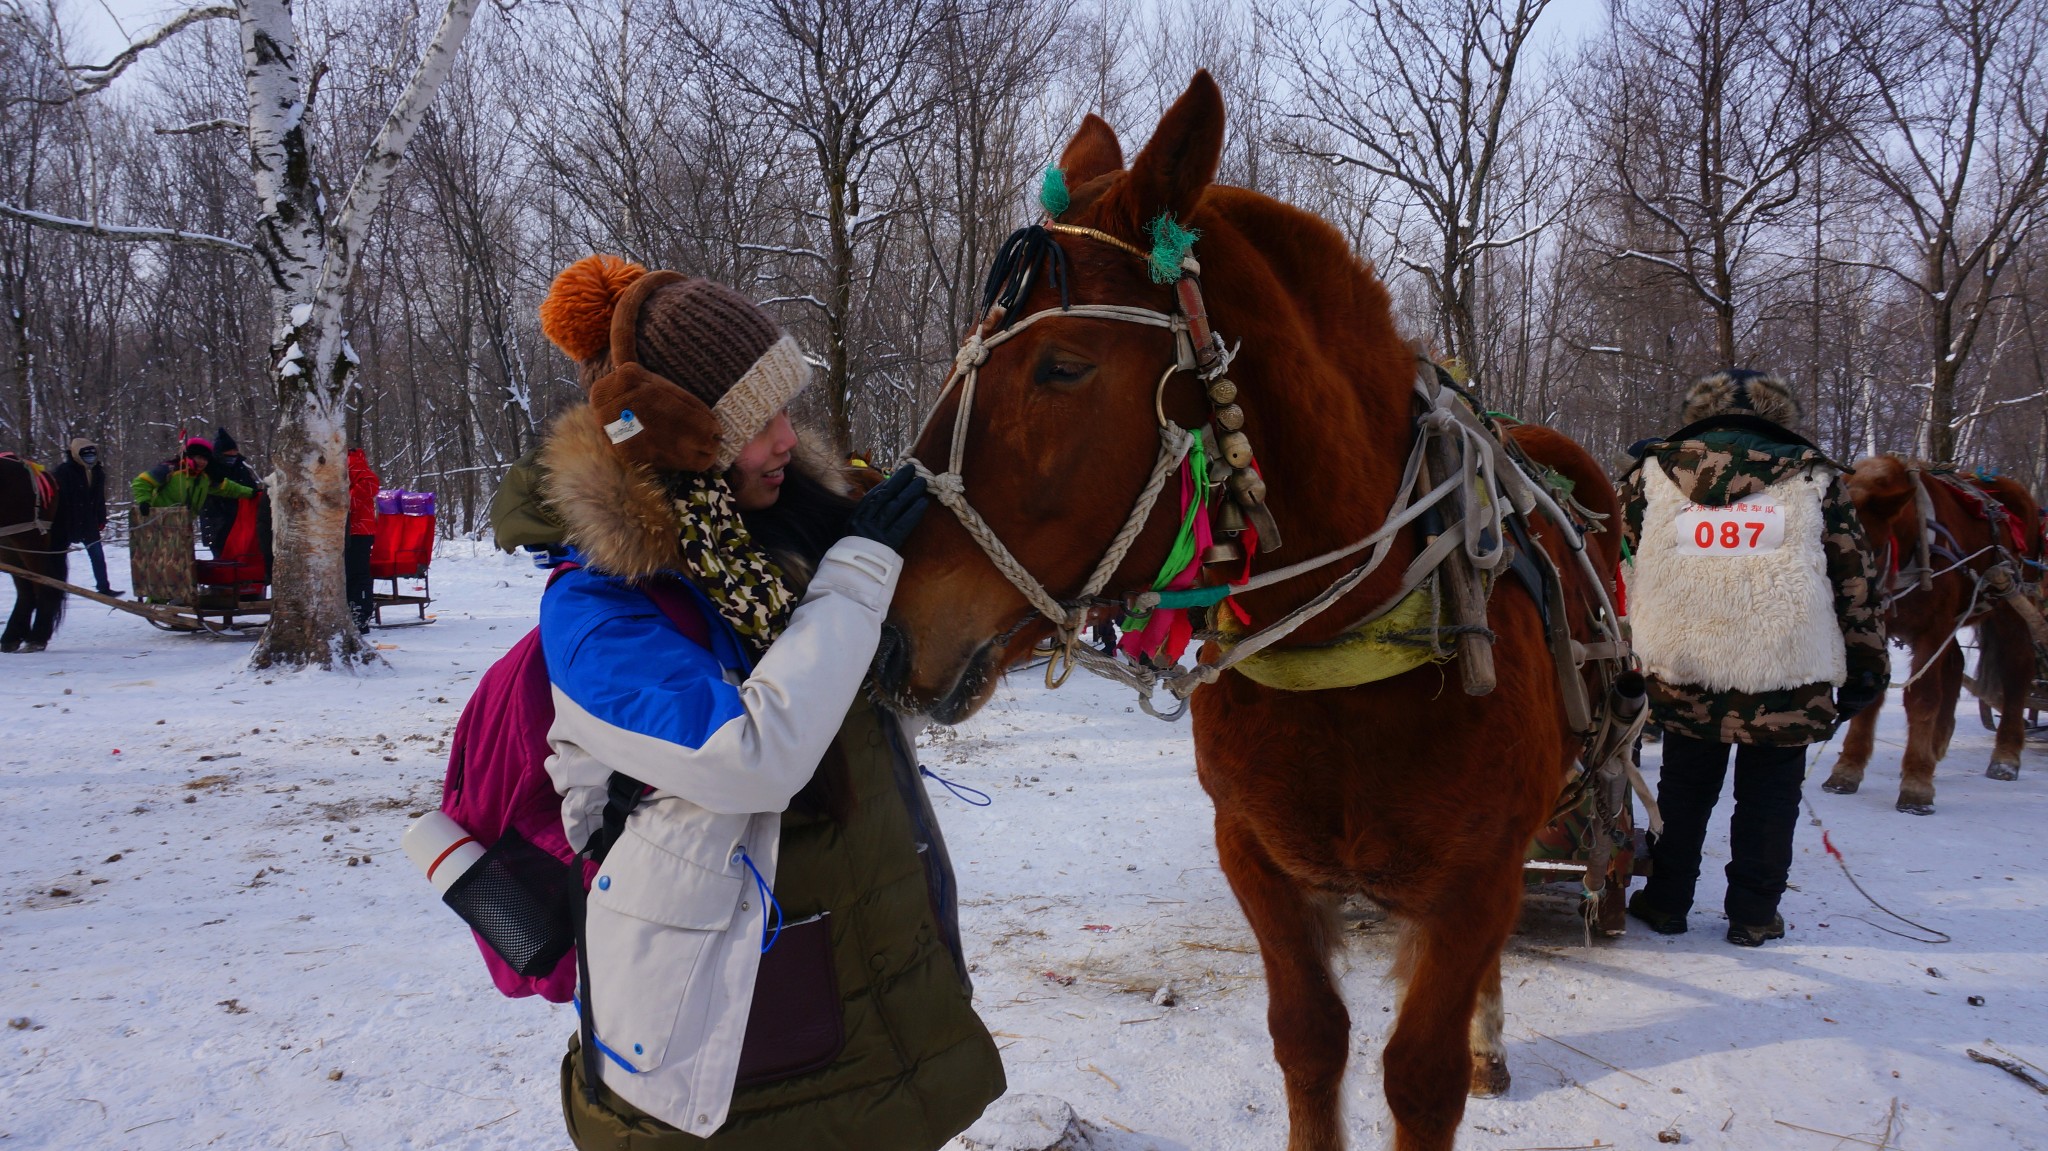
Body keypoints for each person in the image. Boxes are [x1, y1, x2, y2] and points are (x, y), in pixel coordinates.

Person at [529, 254, 1003, 1149]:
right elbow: (753, 755)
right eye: (756, 422)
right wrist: (859, 574)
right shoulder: (598, 610)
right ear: (677, 440)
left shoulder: (787, 541)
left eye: (787, 409)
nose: (787, 438)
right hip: (716, 1044)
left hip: (864, 990)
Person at [1619, 369, 1887, 947]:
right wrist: (1867, 665)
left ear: (1702, 414)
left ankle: (1666, 902)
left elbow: (1620, 562)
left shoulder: (1655, 473)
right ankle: (1753, 915)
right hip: (1786, 667)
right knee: (1771, 797)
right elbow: (1854, 580)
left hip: (1683, 658)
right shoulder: (1813, 475)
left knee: (1684, 787)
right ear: (1776, 417)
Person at [51, 437, 120, 595]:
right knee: (58, 556)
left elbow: (99, 499)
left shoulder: (97, 471)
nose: (90, 456)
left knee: (97, 555)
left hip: (89, 522)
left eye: (92, 453)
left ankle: (104, 587)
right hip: (67, 521)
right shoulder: (64, 471)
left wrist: (101, 518)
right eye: (85, 453)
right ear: (76, 454)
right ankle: (55, 587)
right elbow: (58, 499)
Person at [132, 437, 256, 516]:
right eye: (199, 458)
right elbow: (142, 481)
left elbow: (228, 488)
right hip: (159, 522)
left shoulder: (205, 478)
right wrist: (144, 501)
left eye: (205, 459)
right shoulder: (171, 469)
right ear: (189, 457)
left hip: (184, 525)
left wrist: (252, 493)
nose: (203, 462)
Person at [201, 426, 262, 556]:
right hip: (218, 525)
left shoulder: (240, 468)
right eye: (228, 454)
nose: (233, 457)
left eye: (235, 453)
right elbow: (223, 488)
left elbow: (251, 488)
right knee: (222, 559)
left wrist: (255, 494)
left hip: (242, 523)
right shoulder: (209, 471)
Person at [345, 447, 380, 632]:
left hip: (359, 530)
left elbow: (370, 483)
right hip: (352, 529)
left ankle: (361, 615)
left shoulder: (352, 461)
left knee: (357, 574)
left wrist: (346, 503)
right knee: (351, 574)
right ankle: (355, 613)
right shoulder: (345, 461)